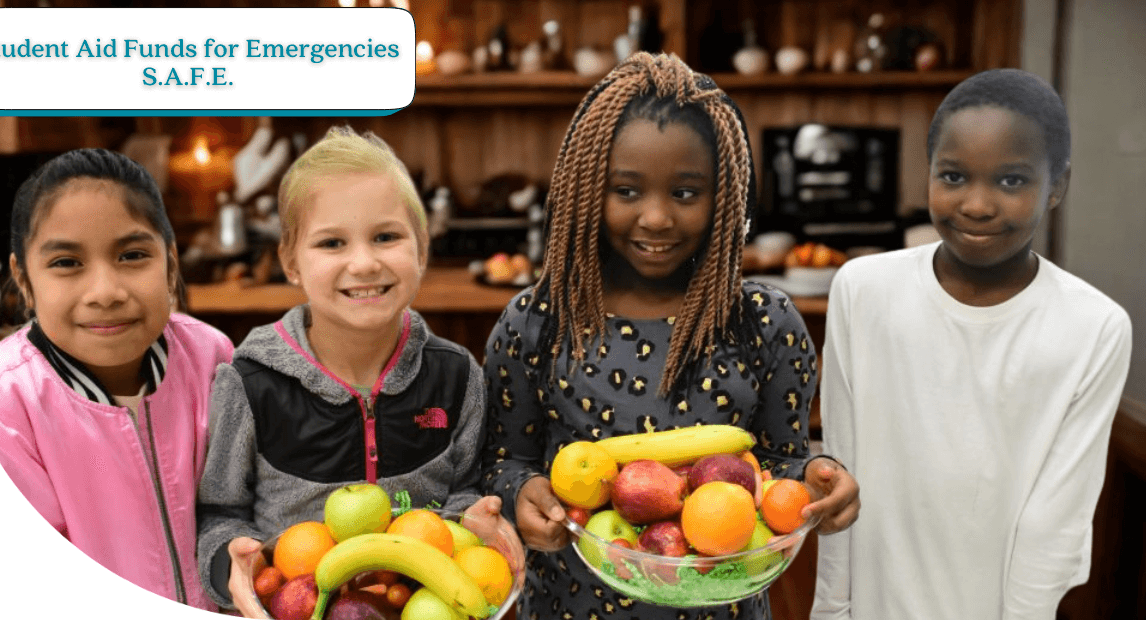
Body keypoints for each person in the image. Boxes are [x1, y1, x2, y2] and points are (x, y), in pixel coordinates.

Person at [480, 52, 861, 620]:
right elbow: (505, 457)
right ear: (586, 191)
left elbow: (780, 462)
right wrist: (520, 495)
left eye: (685, 194)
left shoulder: (764, 322)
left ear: (726, 197)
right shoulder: (537, 322)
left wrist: (815, 481)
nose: (656, 218)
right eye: (627, 191)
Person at [811, 68, 1133, 620]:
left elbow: (1052, 528)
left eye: (1011, 181)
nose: (977, 205)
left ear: (1057, 185)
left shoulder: (1094, 328)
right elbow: (841, 481)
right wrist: (830, 611)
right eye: (954, 176)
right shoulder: (862, 291)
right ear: (928, 172)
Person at [196, 126, 501, 616]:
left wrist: (478, 518)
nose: (363, 263)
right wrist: (229, 563)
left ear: (421, 248)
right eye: (332, 243)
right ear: (290, 262)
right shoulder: (249, 384)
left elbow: (464, 489)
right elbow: (221, 513)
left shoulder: (458, 375)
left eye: (386, 236)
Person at [0, 148, 234, 611]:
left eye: (132, 255)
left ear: (170, 264)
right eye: (66, 263)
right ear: (23, 280)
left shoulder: (212, 356)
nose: (106, 292)